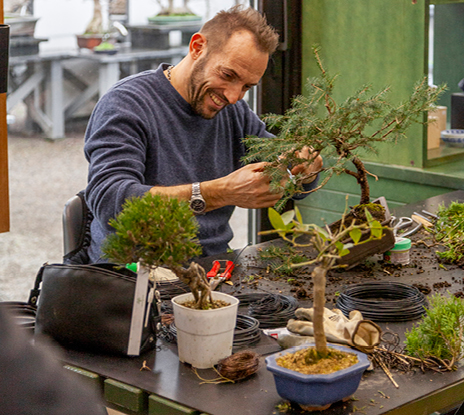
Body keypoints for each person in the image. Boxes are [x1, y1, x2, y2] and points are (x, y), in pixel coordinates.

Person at [84, 5, 322, 263]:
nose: (233, 96)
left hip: (213, 266)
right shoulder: (126, 104)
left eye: (246, 87)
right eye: (227, 75)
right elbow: (110, 202)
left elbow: (284, 171)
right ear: (197, 47)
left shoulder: (234, 112)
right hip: (132, 272)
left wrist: (304, 169)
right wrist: (219, 192)